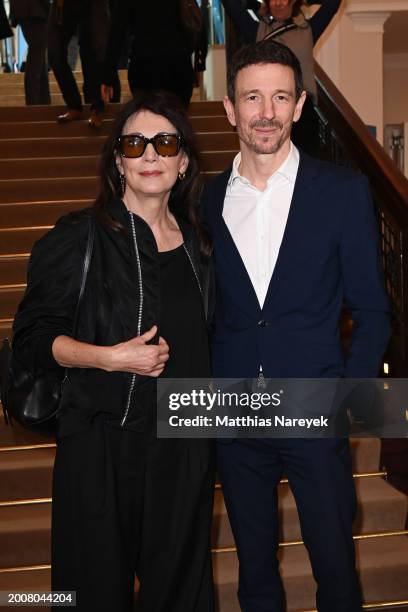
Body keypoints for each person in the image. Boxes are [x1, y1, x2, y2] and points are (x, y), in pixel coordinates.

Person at [200, 40, 390, 611]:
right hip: (235, 417)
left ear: (300, 105)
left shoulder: (342, 191)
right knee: (254, 571)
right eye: (252, 97)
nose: (267, 111)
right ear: (230, 108)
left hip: (315, 408)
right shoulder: (207, 199)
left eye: (280, 97)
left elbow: (375, 310)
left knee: (335, 565)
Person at [12, 91, 215, 611]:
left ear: (184, 159)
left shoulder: (200, 243)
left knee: (182, 596)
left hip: (184, 447)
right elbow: (34, 341)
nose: (150, 154)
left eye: (164, 142)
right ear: (118, 161)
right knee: (90, 594)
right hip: (101, 445)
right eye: (135, 143)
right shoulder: (81, 236)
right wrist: (110, 357)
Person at [221, 0, 341, 154]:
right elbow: (231, 5)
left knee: (304, 166)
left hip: (303, 114)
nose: (277, 3)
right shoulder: (257, 30)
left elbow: (333, 4)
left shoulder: (309, 30)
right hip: (269, 109)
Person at [101, 0, 208, 108]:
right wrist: (199, 64)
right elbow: (197, 21)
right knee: (176, 119)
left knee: (147, 117)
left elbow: (117, 31)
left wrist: (108, 74)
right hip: (178, 67)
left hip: (144, 68)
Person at [47, 0, 109, 126]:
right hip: (62, 4)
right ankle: (74, 105)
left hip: (92, 4)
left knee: (93, 49)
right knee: (55, 52)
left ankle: (97, 108)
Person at [9, 0, 51, 105]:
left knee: (38, 56)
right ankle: (34, 104)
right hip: (34, 10)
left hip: (27, 10)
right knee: (37, 54)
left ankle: (43, 102)